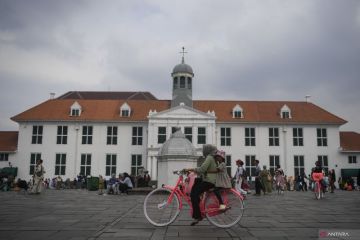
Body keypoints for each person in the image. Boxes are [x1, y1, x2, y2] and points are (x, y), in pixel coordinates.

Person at [188, 144, 217, 226]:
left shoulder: (209, 157)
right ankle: (198, 201)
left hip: (209, 181)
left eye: (203, 150)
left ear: (207, 150)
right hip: (210, 179)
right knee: (197, 181)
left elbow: (202, 169)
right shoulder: (212, 157)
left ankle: (197, 216)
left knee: (193, 194)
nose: (202, 152)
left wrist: (191, 169)